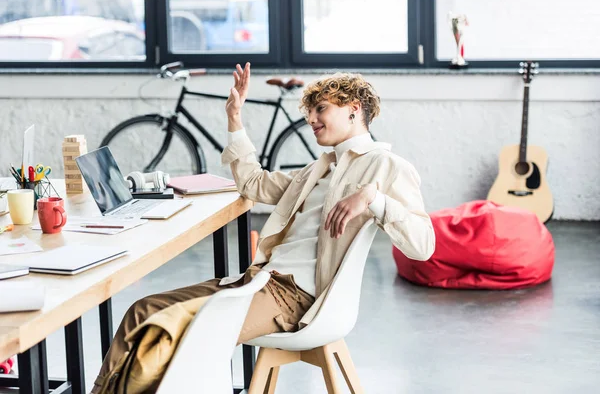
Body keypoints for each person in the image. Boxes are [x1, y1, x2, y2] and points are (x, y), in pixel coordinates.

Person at [91, 63, 435, 393]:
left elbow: (423, 246)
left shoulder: (386, 166)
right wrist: (234, 117)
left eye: (321, 109)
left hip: (294, 297)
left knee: (170, 329)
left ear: (353, 109)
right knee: (144, 310)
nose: (311, 120)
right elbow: (254, 184)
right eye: (309, 112)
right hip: (257, 281)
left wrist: (374, 199)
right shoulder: (316, 170)